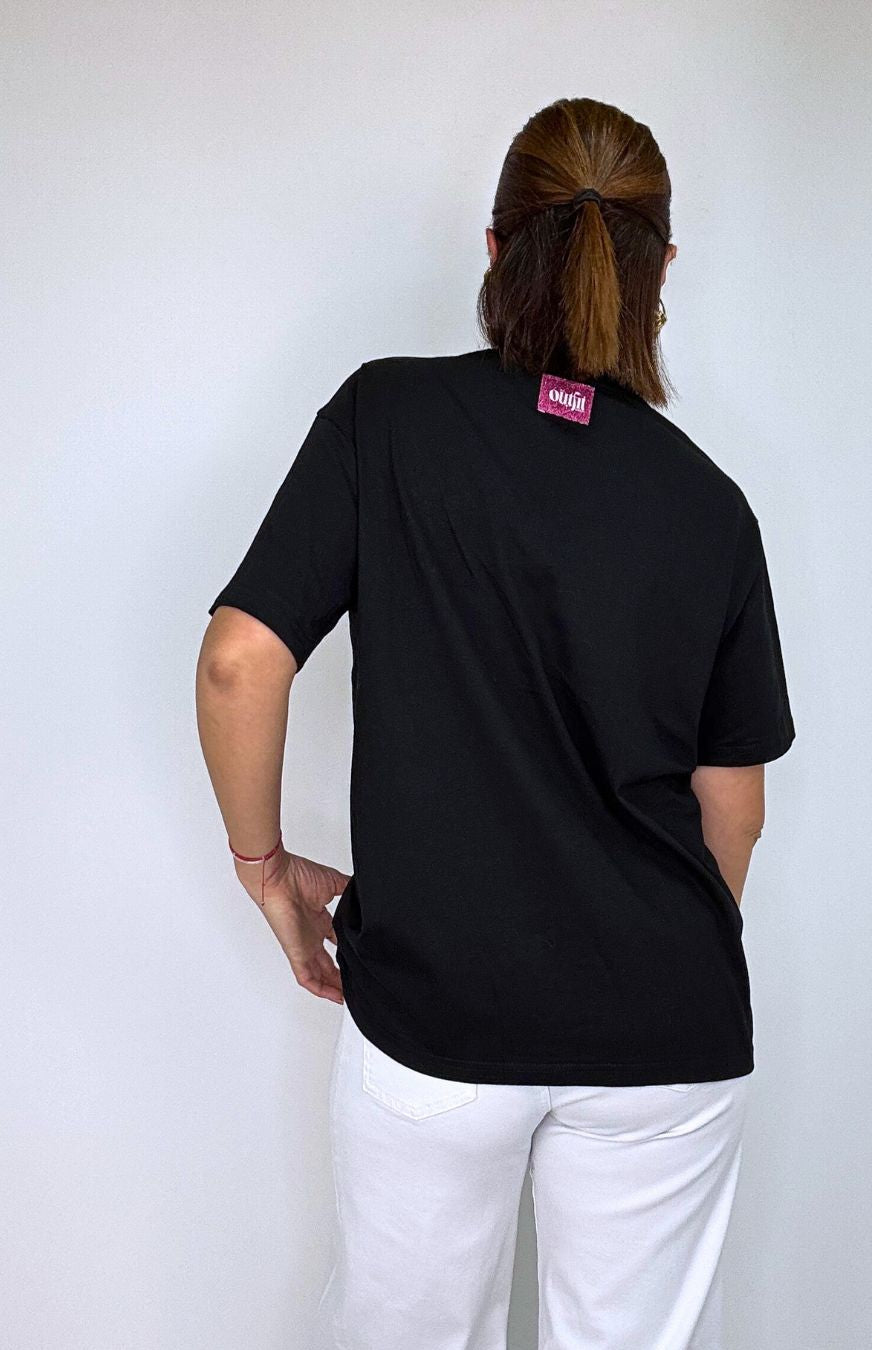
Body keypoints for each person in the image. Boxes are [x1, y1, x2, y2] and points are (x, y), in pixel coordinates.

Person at [196, 95, 795, 1350]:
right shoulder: (712, 508)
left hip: (437, 1013)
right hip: (666, 1031)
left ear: (494, 249)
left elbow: (241, 661)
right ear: (660, 273)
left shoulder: (386, 421)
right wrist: (636, 964)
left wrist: (266, 870)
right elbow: (732, 810)